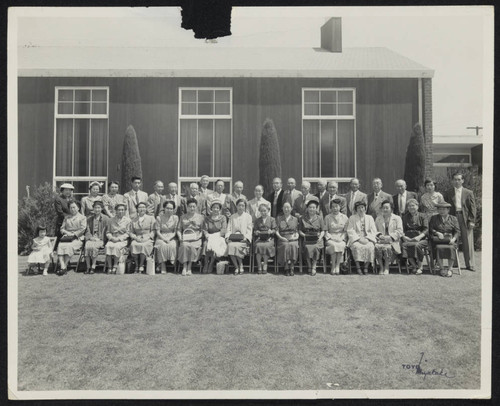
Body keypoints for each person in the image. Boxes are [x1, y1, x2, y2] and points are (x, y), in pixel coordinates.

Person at [444, 172, 476, 271]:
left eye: (459, 179)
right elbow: (446, 207)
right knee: (454, 240)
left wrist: (471, 220)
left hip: (464, 218)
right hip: (453, 218)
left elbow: (473, 208)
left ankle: (470, 264)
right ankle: (454, 263)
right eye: (455, 179)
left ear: (462, 180)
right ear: (452, 180)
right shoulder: (448, 192)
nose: (457, 181)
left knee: (468, 241)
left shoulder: (468, 192)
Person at [428, 202, 460, 277]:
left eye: (444, 209)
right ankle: (441, 268)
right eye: (440, 209)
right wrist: (437, 233)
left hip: (450, 240)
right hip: (438, 241)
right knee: (439, 248)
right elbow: (430, 229)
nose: (441, 211)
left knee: (451, 248)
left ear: (448, 210)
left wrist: (454, 239)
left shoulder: (453, 218)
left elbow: (457, 231)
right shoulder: (434, 218)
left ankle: (450, 268)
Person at [56, 201, 87, 275]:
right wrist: (67, 233)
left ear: (78, 208)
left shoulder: (82, 218)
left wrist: (74, 234)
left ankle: (63, 267)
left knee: (69, 246)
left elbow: (83, 229)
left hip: (77, 238)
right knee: (60, 246)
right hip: (66, 237)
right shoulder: (66, 217)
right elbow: (62, 229)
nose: (72, 209)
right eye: (71, 208)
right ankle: (63, 266)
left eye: (74, 207)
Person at [347, 201, 377, 275]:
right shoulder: (352, 218)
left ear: (365, 209)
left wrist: (367, 238)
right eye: (358, 208)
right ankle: (358, 267)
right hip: (356, 238)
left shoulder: (370, 218)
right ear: (356, 209)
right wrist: (358, 239)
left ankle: (366, 267)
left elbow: (373, 230)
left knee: (370, 246)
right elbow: (350, 230)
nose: (361, 209)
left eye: (362, 207)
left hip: (367, 238)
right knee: (356, 247)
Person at [177, 198, 205, 276]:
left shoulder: (201, 217)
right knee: (185, 246)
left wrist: (198, 237)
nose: (192, 208)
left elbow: (202, 230)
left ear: (196, 207)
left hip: (196, 238)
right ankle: (184, 266)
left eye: (193, 206)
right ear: (187, 207)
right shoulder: (183, 217)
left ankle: (189, 267)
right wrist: (180, 237)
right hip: (185, 237)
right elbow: (179, 229)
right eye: (190, 206)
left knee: (192, 246)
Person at [374, 200, 404, 275]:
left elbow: (400, 231)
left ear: (391, 209)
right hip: (381, 240)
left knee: (388, 248)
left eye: (387, 208)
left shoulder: (397, 218)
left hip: (393, 240)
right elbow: (374, 230)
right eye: (383, 208)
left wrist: (390, 237)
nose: (385, 210)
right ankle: (381, 267)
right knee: (376, 247)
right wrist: (379, 235)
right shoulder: (378, 218)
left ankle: (387, 267)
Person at [401, 199, 429, 275]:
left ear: (417, 206)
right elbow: (402, 229)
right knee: (404, 245)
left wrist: (419, 237)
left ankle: (420, 266)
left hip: (421, 238)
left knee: (417, 245)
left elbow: (426, 229)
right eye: (409, 206)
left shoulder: (423, 216)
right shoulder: (405, 217)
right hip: (408, 238)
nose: (411, 207)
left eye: (413, 205)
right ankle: (414, 266)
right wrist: (404, 237)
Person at [226, 199, 253, 275]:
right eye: (239, 205)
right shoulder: (232, 217)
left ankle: (240, 265)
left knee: (237, 246)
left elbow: (249, 229)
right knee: (230, 246)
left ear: (245, 207)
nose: (241, 207)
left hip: (243, 240)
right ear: (236, 206)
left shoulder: (248, 217)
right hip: (233, 239)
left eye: (242, 205)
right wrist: (228, 237)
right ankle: (236, 266)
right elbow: (229, 229)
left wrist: (246, 238)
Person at [298, 199, 325, 276]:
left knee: (316, 247)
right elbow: (299, 230)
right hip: (306, 238)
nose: (312, 209)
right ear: (307, 208)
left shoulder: (320, 218)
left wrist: (320, 237)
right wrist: (304, 235)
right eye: (310, 207)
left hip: (317, 239)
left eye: (314, 207)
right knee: (306, 247)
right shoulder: (302, 218)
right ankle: (309, 265)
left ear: (316, 209)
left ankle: (314, 266)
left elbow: (323, 230)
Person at [83, 201, 109, 274]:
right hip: (91, 238)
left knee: (94, 247)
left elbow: (107, 230)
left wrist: (100, 238)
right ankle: (88, 266)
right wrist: (90, 237)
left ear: (101, 208)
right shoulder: (89, 218)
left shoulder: (105, 218)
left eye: (98, 208)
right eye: (95, 208)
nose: (97, 209)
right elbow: (87, 230)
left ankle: (93, 266)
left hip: (100, 238)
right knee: (87, 246)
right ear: (93, 209)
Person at [129, 201, 155, 273]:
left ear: (146, 209)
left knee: (144, 245)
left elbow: (153, 230)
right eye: (140, 207)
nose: (142, 209)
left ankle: (141, 265)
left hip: (147, 238)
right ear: (137, 209)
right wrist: (135, 238)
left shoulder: (151, 218)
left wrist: (148, 237)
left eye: (143, 207)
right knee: (133, 245)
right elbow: (131, 232)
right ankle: (136, 265)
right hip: (137, 238)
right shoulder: (134, 219)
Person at [324, 199, 349, 275]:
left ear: (340, 207)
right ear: (330, 208)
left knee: (341, 245)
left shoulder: (345, 217)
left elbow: (346, 231)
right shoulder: (327, 217)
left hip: (341, 237)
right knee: (334, 245)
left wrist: (341, 238)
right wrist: (332, 238)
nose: (335, 208)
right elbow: (325, 231)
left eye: (337, 206)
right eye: (333, 207)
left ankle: (337, 265)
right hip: (330, 237)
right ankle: (333, 266)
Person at [105, 203, 131, 274]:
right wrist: (111, 238)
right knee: (108, 246)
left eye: (122, 210)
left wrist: (119, 239)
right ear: (115, 211)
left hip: (122, 240)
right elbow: (108, 232)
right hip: (113, 238)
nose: (120, 211)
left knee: (116, 247)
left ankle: (115, 266)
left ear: (125, 211)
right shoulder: (111, 220)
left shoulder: (128, 220)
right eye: (119, 210)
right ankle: (109, 266)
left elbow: (128, 233)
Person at [154, 200, 179, 274]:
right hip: (161, 236)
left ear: (173, 210)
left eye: (171, 209)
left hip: (172, 236)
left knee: (173, 245)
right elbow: (158, 232)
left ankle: (172, 262)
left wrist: (169, 238)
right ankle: (162, 264)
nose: (169, 210)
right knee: (162, 244)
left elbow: (175, 231)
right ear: (164, 208)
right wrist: (164, 239)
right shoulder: (159, 218)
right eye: (167, 208)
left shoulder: (175, 218)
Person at [275, 202, 300, 276]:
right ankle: (286, 266)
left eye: (288, 207)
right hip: (282, 237)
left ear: (291, 209)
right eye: (285, 207)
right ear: (282, 208)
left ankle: (292, 266)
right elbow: (276, 231)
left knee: (293, 245)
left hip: (292, 238)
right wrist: (281, 238)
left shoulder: (295, 219)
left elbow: (297, 231)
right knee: (285, 245)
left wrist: (296, 237)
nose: (286, 209)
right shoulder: (279, 218)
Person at [203, 201, 227, 274]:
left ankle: (211, 264)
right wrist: (207, 235)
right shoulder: (207, 218)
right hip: (209, 237)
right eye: (214, 207)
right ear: (211, 209)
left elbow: (224, 229)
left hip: (219, 237)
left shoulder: (223, 218)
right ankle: (206, 263)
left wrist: (215, 236)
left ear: (219, 209)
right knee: (205, 244)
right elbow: (205, 229)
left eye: (217, 208)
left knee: (215, 244)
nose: (215, 209)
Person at [253, 203, 277, 274]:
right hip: (260, 238)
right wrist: (256, 232)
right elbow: (255, 230)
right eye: (261, 211)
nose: (263, 213)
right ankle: (259, 265)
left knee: (266, 246)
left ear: (268, 210)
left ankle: (265, 264)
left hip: (269, 238)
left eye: (265, 211)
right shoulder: (257, 220)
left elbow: (275, 229)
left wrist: (271, 231)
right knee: (258, 246)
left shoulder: (272, 219)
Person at [54, 183, 75, 250]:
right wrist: (69, 218)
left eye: (69, 190)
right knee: (60, 239)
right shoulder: (58, 199)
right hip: (62, 221)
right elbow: (60, 212)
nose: (68, 192)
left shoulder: (72, 199)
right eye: (66, 190)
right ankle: (58, 256)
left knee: (69, 239)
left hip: (72, 222)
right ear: (62, 190)